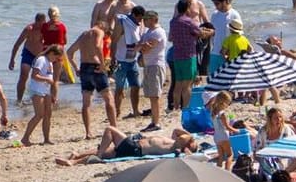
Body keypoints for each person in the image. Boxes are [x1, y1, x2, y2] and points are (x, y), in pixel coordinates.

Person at [56, 124, 200, 165]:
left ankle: (93, 157)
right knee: (109, 150)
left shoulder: (177, 148)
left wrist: (190, 145)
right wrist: (192, 137)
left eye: (189, 141)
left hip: (136, 148)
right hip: (135, 145)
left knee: (109, 130)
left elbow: (184, 139)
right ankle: (75, 158)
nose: (188, 139)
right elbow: (176, 130)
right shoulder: (173, 140)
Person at [20, 44, 61, 147]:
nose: (56, 59)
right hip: (37, 90)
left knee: (48, 114)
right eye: (56, 57)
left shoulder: (50, 63)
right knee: (39, 114)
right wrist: (46, 79)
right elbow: (34, 75)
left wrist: (53, 94)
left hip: (45, 90)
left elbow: (50, 78)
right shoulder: (41, 60)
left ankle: (46, 139)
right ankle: (25, 138)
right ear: (51, 53)